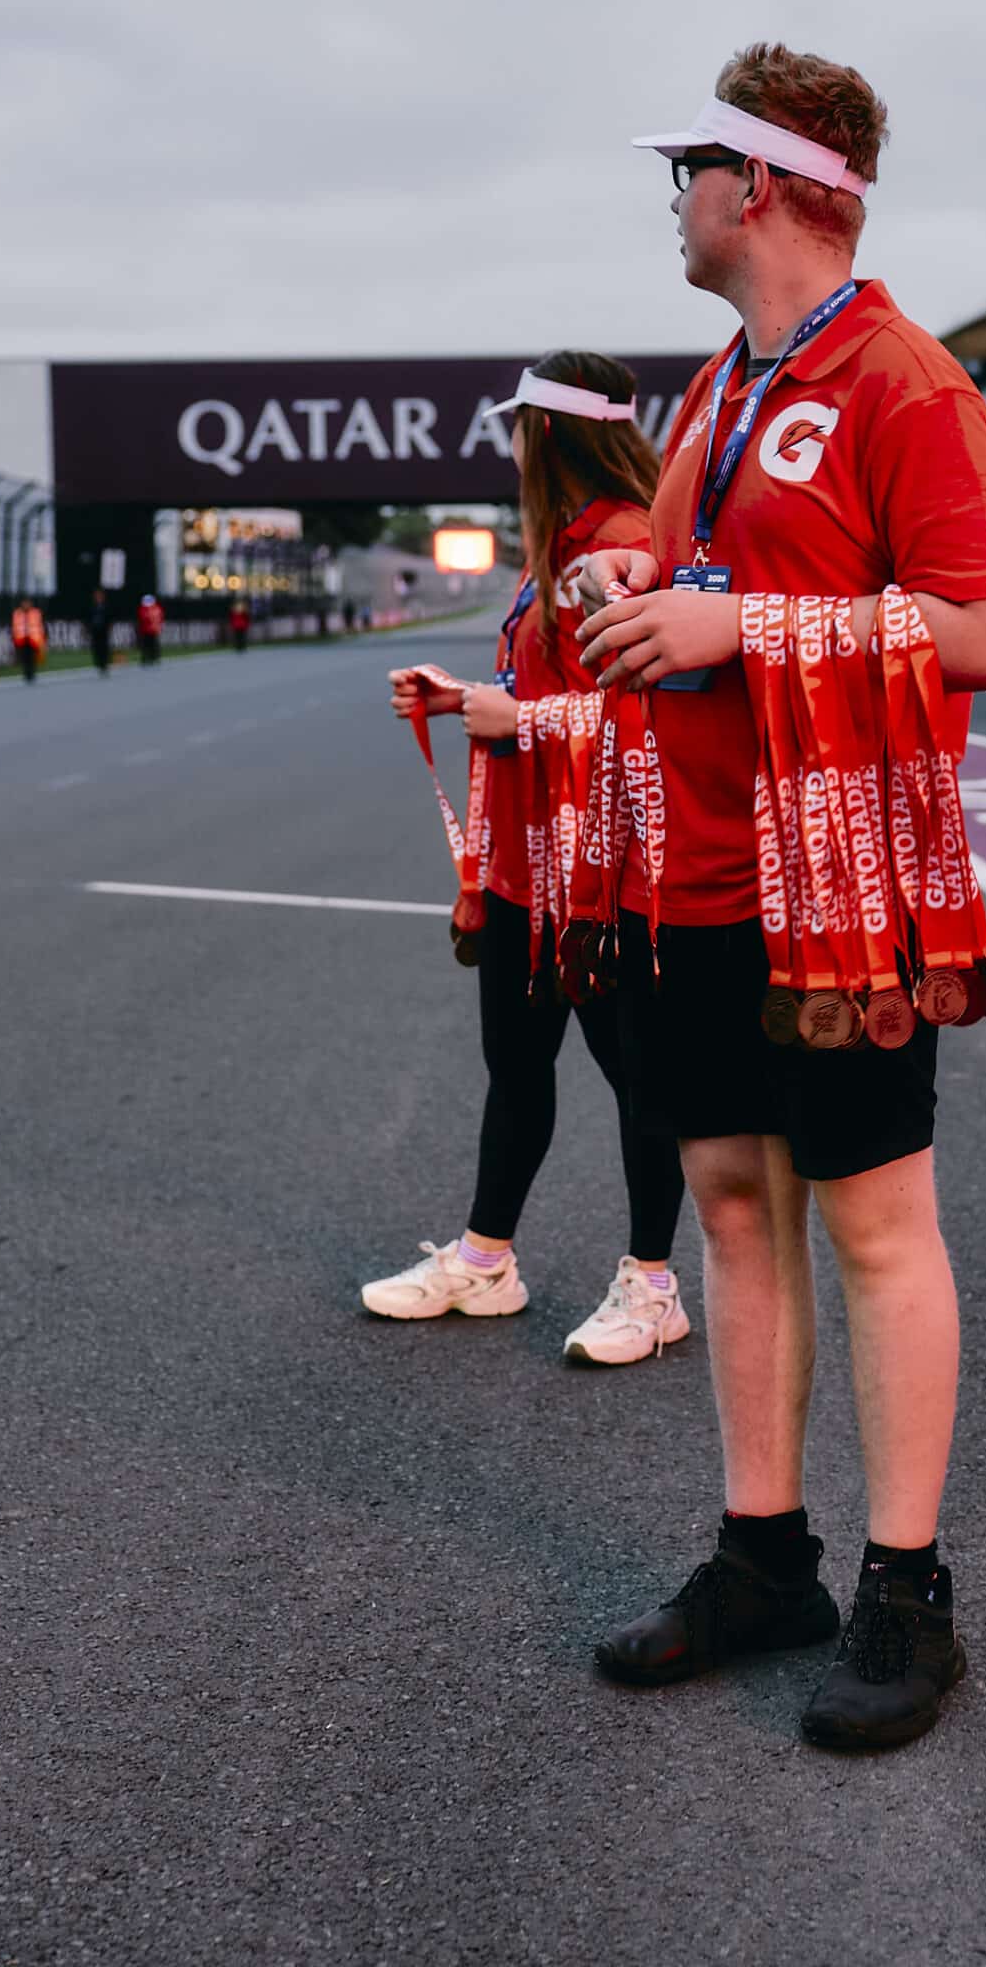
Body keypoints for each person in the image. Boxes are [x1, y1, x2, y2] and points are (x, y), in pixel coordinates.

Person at [576, 45, 986, 1750]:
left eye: (685, 171)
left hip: (842, 881)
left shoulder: (905, 380)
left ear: (757, 184)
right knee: (730, 1204)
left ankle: (908, 1592)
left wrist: (739, 627)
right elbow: (710, 569)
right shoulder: (717, 387)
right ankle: (765, 1559)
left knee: (873, 1226)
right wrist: (638, 579)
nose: (672, 200)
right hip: (700, 864)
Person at [364, 350, 690, 1366]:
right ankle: (485, 1261)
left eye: (517, 423)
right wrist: (464, 700)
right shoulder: (560, 543)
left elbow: (655, 714)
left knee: (637, 1078)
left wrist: (518, 718)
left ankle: (654, 1286)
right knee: (516, 1063)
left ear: (545, 433)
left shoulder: (624, 543)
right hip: (525, 860)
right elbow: (556, 690)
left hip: (603, 869)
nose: (508, 440)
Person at [9, 598, 47, 683]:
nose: (26, 605)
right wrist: (13, 637)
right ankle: (26, 673)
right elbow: (14, 626)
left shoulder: (36, 612)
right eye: (24, 603)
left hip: (33, 639)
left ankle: (31, 673)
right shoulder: (17, 613)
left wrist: (43, 637)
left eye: (27, 603)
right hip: (21, 639)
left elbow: (41, 625)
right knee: (24, 657)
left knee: (32, 657)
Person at [86, 589, 114, 676]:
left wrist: (109, 628)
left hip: (103, 630)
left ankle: (104, 664)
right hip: (95, 630)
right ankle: (98, 663)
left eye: (99, 596)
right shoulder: (92, 607)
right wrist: (88, 629)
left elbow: (110, 618)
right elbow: (88, 618)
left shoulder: (106, 606)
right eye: (96, 596)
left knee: (104, 647)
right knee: (96, 647)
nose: (98, 597)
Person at [135, 594, 164, 665]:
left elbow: (159, 619)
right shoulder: (154, 609)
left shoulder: (155, 609)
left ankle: (152, 657)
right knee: (148, 645)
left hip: (150, 630)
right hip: (148, 630)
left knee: (151, 645)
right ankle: (149, 658)